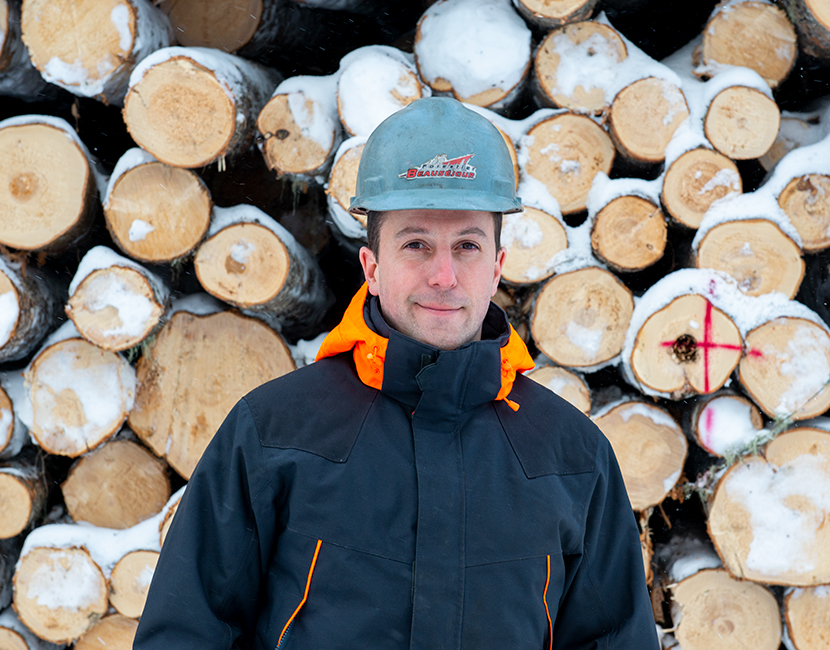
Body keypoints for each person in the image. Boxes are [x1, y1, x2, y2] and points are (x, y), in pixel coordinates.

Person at [134, 97, 659, 650]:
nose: (444, 275)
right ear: (372, 268)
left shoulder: (571, 456)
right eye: (416, 245)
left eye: (467, 246)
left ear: (498, 267)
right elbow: (187, 633)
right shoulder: (274, 433)